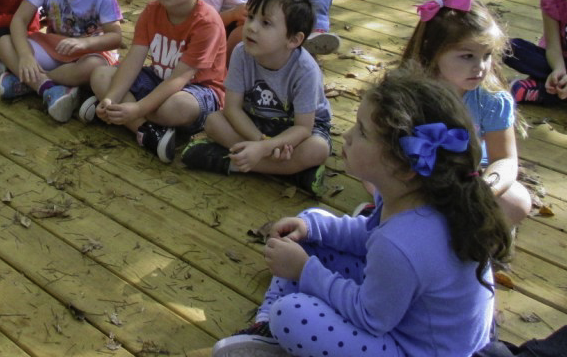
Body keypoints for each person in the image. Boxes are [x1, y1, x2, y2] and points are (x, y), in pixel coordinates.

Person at [213, 69, 513, 357]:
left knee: (291, 315)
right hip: (405, 314)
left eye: (363, 132)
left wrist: (305, 271)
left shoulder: (403, 241)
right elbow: (369, 233)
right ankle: (265, 328)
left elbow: (370, 317)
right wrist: (313, 228)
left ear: (405, 166)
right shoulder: (418, 195)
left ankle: (274, 323)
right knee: (309, 230)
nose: (348, 136)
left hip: (412, 348)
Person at [82, 0, 227, 162]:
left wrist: (137, 108)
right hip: (157, 79)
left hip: (198, 91)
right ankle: (146, 131)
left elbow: (180, 79)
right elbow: (133, 60)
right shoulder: (152, 11)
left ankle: (126, 115)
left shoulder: (206, 22)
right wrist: (111, 97)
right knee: (100, 74)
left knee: (175, 107)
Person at [181, 0, 331, 195]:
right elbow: (232, 108)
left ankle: (230, 162)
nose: (251, 27)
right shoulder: (242, 53)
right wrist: (261, 144)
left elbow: (303, 129)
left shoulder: (305, 69)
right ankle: (293, 173)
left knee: (318, 149)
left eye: (266, 23)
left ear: (293, 40)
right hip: (255, 122)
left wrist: (264, 148)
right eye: (250, 17)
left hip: (298, 128)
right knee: (214, 121)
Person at [401, 0, 532, 225]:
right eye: (467, 56)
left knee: (518, 201)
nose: (480, 67)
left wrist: (484, 189)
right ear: (433, 50)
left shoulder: (492, 99)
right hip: (419, 174)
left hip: (471, 174)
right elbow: (388, 146)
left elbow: (505, 159)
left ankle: (471, 233)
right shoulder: (410, 93)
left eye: (487, 55)